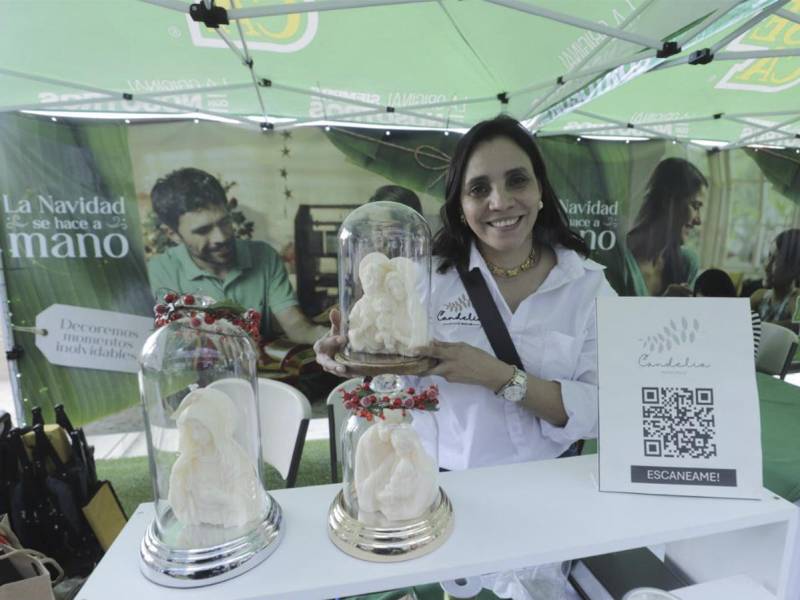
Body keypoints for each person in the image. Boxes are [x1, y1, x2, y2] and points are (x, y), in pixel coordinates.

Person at [317, 115, 615, 599]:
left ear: (541, 188)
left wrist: (498, 376)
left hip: (552, 494)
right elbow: (397, 378)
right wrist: (353, 359)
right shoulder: (426, 280)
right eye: (479, 189)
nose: (500, 202)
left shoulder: (588, 285)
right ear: (459, 204)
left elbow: (605, 409)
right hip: (445, 493)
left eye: (517, 180)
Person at [147, 167, 326, 344]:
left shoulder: (264, 256)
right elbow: (169, 345)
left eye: (225, 222)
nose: (221, 237)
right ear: (173, 234)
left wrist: (327, 336)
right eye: (203, 230)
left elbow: (295, 324)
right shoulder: (157, 273)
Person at [601, 158, 706, 297]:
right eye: (695, 206)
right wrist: (662, 306)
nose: (699, 220)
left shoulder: (687, 263)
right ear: (667, 201)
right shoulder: (618, 261)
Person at [694, 268, 761, 359]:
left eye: (713, 303)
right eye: (701, 304)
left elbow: (748, 361)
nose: (708, 311)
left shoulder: (749, 318)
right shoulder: (694, 320)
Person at [750, 229, 800, 332]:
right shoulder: (758, 297)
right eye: (769, 256)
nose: (766, 266)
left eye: (777, 260)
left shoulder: (795, 300)